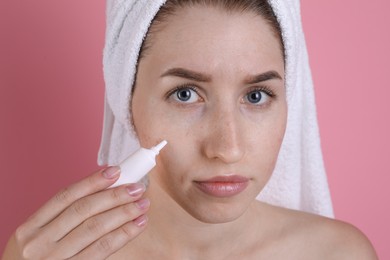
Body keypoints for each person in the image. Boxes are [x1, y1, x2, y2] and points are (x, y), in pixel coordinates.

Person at [2, 0, 378, 259]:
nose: (226, 148)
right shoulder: (57, 255)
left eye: (257, 95)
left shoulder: (338, 255)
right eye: (185, 94)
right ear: (125, 98)